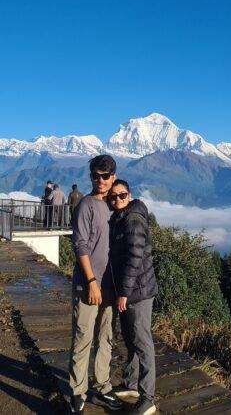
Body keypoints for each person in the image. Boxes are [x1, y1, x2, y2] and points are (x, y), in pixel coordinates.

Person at [68, 155, 123, 414]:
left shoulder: (115, 205)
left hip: (110, 286)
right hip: (89, 284)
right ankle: (77, 391)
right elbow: (80, 245)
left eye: (105, 176)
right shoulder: (85, 205)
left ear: (113, 177)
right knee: (83, 337)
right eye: (95, 175)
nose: (100, 180)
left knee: (106, 337)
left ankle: (102, 385)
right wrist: (91, 281)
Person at [108, 179, 158, 415]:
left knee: (142, 342)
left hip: (137, 292)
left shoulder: (133, 221)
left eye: (122, 195)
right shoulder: (120, 218)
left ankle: (148, 398)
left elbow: (134, 260)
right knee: (130, 339)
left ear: (130, 195)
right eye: (113, 196)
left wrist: (124, 294)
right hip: (131, 290)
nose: (117, 200)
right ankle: (131, 385)